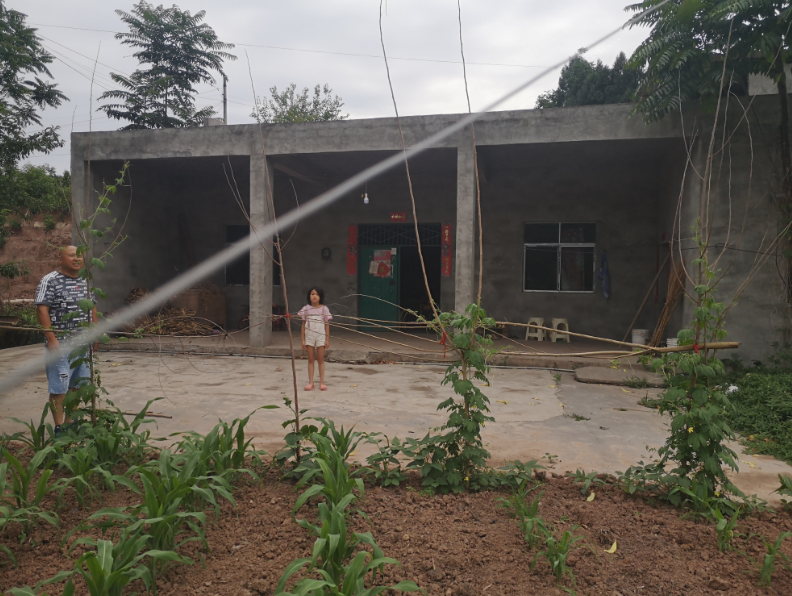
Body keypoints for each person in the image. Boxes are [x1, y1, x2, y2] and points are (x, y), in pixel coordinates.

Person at [34, 246, 98, 432]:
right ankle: (59, 427)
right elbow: (42, 309)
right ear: (60, 258)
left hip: (83, 343)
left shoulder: (86, 280)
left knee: (78, 385)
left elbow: (92, 307)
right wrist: (51, 338)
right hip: (61, 343)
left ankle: (71, 422)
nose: (77, 259)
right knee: (59, 387)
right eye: (71, 255)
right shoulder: (50, 280)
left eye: (79, 256)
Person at [299, 287, 332, 391]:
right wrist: (303, 340)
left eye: (317, 294)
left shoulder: (324, 309)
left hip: (320, 337)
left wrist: (327, 339)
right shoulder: (306, 309)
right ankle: (311, 383)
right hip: (309, 337)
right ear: (309, 296)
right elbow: (303, 325)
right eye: (312, 294)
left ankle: (322, 383)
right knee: (311, 360)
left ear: (320, 297)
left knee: (321, 359)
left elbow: (327, 325)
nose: (314, 296)